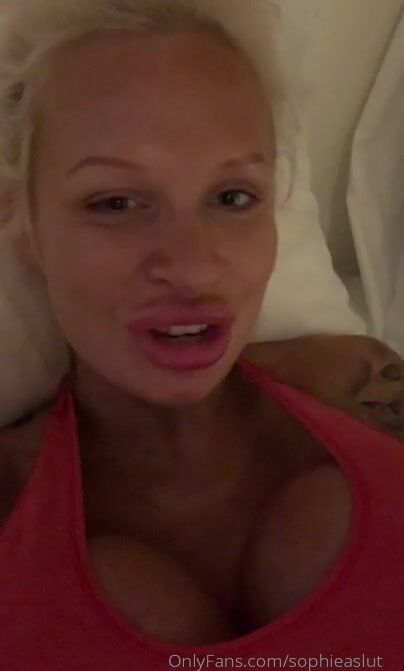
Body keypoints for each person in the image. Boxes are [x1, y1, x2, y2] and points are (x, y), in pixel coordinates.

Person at [0, 1, 403, 668]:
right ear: (26, 227)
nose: (190, 268)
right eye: (115, 202)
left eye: (232, 198)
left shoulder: (367, 386)